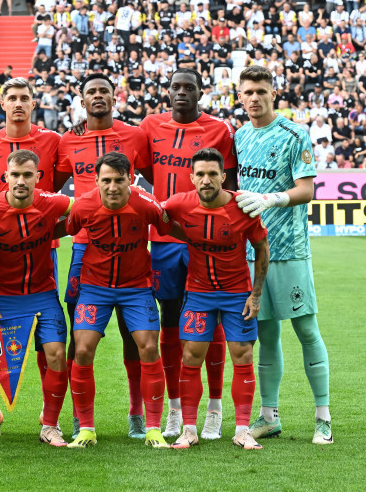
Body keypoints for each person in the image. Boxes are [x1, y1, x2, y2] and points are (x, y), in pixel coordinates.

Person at [234, 65, 332, 445]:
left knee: (307, 330)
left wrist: (270, 199)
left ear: (273, 93)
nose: (254, 98)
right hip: (251, 253)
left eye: (261, 90)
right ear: (239, 97)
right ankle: (268, 416)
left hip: (289, 250)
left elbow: (307, 190)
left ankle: (323, 416)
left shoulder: (295, 133)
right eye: (248, 92)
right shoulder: (240, 136)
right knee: (265, 334)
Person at [139, 67, 237, 440]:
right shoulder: (151, 127)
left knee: (210, 318)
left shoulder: (220, 129)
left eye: (188, 88)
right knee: (169, 321)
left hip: (207, 238)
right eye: (175, 87)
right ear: (168, 91)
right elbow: (149, 171)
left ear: (200, 92)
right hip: (165, 240)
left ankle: (214, 408)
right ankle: (176, 410)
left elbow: (230, 181)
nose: (181, 92)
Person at [65, 151, 186, 449]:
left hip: (136, 287)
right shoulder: (83, 206)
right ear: (96, 181)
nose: (113, 187)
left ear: (130, 179)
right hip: (95, 288)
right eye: (106, 180)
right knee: (82, 349)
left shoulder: (146, 203)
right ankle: (86, 429)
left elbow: (170, 227)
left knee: (148, 347)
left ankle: (153, 428)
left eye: (120, 180)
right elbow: (64, 229)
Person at [55, 74, 152, 440]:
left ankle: (137, 412)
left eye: (104, 92)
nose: (98, 96)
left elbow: (154, 181)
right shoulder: (69, 139)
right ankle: (80, 416)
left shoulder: (135, 136)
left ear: (115, 98)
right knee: (79, 336)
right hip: (84, 247)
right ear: (81, 100)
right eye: (91, 92)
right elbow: (49, 188)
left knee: (135, 334)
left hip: (129, 247)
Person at [163, 147, 270, 451]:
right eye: (200, 174)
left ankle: (242, 430)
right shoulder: (179, 204)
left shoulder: (243, 207)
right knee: (190, 356)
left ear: (224, 176)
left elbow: (262, 249)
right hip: (198, 294)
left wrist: (256, 294)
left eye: (213, 174)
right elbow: (160, 219)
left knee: (243, 356)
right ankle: (189, 429)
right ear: (191, 178)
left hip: (238, 294)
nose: (206, 180)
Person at [0, 149, 71, 447]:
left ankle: (50, 426)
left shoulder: (52, 202)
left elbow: (80, 210)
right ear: (5, 177)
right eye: (15, 175)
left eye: (28, 175)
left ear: (38, 177)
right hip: (1, 296)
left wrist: (59, 227)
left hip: (43, 294)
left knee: (56, 355)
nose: (21, 180)